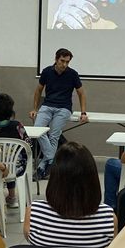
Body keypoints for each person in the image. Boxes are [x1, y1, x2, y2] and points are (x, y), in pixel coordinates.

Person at [24, 142, 117, 248]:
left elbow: (32, 244)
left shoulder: (33, 213)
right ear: (93, 181)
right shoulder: (108, 219)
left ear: (54, 179)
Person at [29, 48, 88, 178]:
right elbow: (38, 91)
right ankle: (51, 159)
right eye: (62, 61)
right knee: (37, 130)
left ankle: (42, 167)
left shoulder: (72, 74)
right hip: (47, 106)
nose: (65, 65)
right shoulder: (46, 72)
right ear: (56, 59)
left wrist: (83, 112)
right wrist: (35, 108)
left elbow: (81, 93)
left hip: (64, 108)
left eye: (67, 62)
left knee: (54, 136)